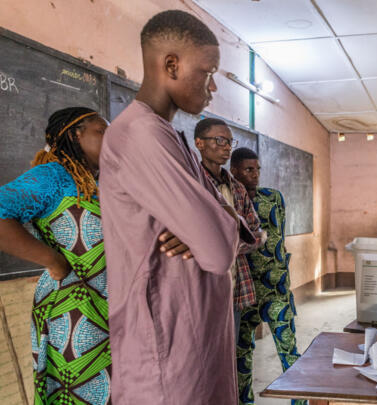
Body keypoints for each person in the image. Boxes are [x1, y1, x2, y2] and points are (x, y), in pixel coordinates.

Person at [99, 10, 254, 404]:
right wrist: (214, 226)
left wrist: (214, 223)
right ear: (172, 65)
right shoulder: (141, 134)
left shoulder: (173, 137)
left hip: (195, 342)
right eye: (208, 71)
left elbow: (222, 231)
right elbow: (219, 252)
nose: (213, 86)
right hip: (167, 354)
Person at [0, 107, 115, 404]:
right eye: (102, 131)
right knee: (81, 394)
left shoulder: (103, 181)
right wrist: (53, 260)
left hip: (110, 307)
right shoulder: (53, 176)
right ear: (75, 135)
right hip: (73, 312)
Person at [231, 147, 305, 405]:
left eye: (258, 169)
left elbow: (279, 238)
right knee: (241, 358)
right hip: (244, 293)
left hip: (276, 290)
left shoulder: (273, 198)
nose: (255, 174)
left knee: (289, 349)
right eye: (249, 169)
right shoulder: (228, 203)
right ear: (234, 171)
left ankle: (300, 401)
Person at [194, 118, 265, 312]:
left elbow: (256, 232)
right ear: (199, 143)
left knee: (231, 340)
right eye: (219, 140)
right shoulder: (193, 186)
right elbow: (195, 238)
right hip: (203, 285)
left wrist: (224, 246)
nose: (226, 147)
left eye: (229, 142)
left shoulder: (237, 188)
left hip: (236, 285)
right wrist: (238, 241)